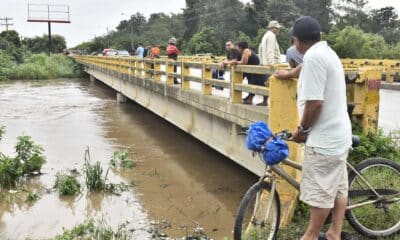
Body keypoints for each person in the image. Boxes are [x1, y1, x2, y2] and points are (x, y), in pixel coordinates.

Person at [286, 16, 352, 240]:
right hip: (339, 136)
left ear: (296, 41)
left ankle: (310, 236)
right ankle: (334, 233)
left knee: (322, 195)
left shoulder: (313, 57)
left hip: (324, 141)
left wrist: (302, 130)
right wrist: (288, 74)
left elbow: (314, 103)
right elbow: (304, 69)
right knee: (339, 188)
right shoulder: (327, 53)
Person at [258, 20, 282, 105]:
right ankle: (276, 103)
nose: (278, 30)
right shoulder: (271, 36)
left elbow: (260, 49)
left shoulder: (265, 35)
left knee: (268, 83)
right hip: (273, 64)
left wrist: (261, 61)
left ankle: (265, 101)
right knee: (275, 84)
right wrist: (272, 63)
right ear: (272, 28)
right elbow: (270, 50)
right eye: (277, 28)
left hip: (265, 63)